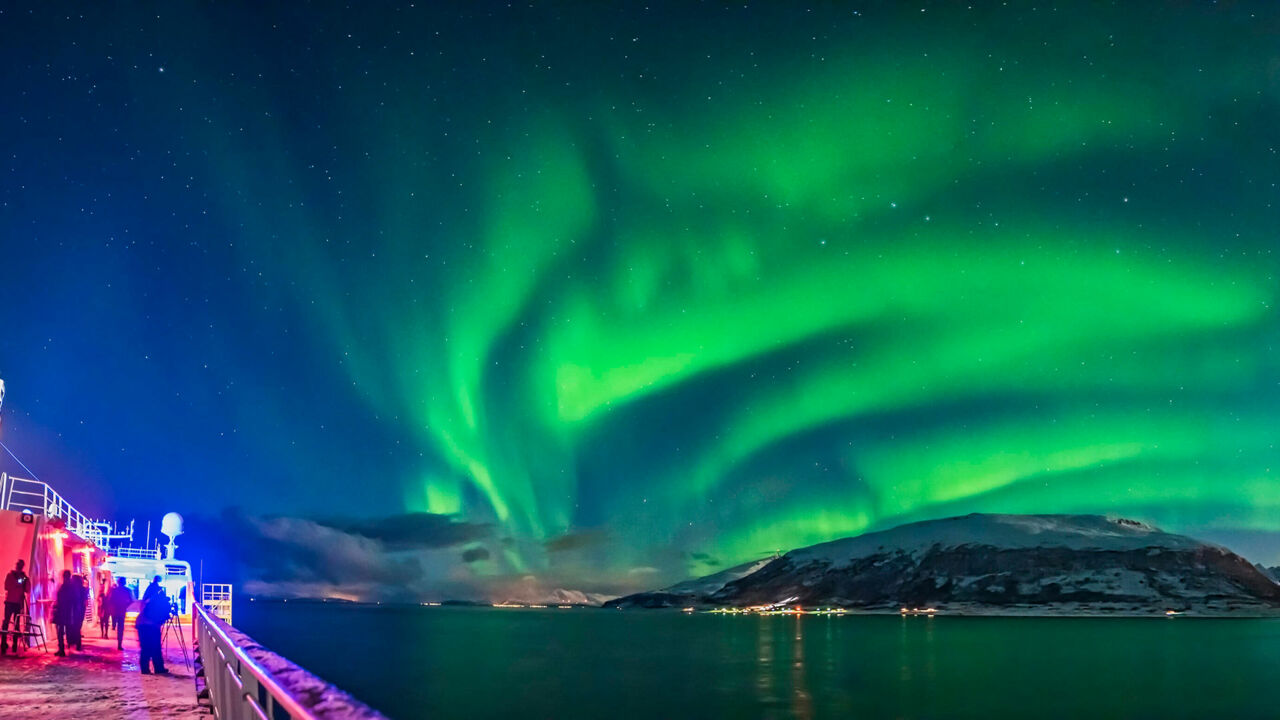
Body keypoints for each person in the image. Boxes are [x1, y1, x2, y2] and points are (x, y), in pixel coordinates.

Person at [136, 579, 170, 675]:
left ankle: (146, 669)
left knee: (147, 647)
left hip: (142, 624)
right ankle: (157, 668)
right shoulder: (155, 601)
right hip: (150, 625)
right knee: (153, 647)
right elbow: (158, 615)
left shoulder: (148, 599)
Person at [1, 559, 30, 656]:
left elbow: (27, 589)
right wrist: (17, 584)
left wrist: (26, 580)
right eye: (18, 565)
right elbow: (7, 586)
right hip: (10, 602)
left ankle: (14, 644)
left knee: (17, 624)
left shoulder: (24, 577)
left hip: (18, 603)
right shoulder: (10, 575)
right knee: (6, 622)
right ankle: (3, 643)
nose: (19, 567)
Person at [54, 570, 76, 656]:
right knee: (66, 630)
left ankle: (62, 649)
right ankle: (65, 647)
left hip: (63, 611)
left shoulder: (65, 586)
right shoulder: (70, 586)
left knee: (60, 631)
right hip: (66, 612)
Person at [108, 578, 134, 650]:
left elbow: (110, 600)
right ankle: (119, 644)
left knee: (118, 625)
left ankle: (119, 642)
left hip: (115, 610)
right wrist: (126, 606)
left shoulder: (114, 590)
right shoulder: (127, 590)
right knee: (120, 627)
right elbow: (131, 601)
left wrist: (112, 606)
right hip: (122, 610)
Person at [70, 574, 87, 651]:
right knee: (78, 627)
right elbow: (85, 601)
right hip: (81, 610)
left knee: (74, 627)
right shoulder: (83, 589)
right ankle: (77, 643)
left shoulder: (72, 589)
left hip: (74, 610)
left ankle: (76, 643)